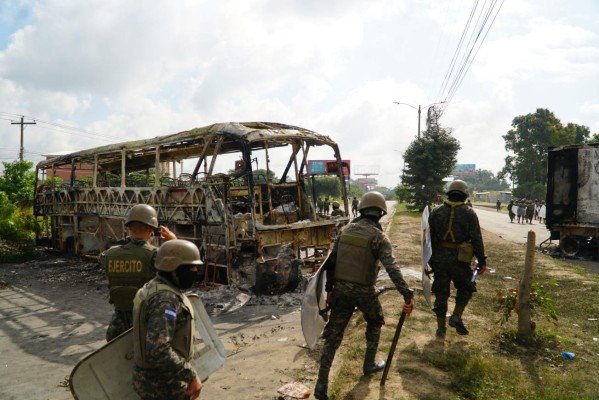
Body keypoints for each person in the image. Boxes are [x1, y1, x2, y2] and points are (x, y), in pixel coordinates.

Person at [314, 191, 414, 400]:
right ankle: (368, 364)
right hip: (364, 292)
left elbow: (330, 263)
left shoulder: (345, 231)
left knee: (333, 335)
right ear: (380, 213)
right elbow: (392, 268)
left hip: (340, 290)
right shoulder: (379, 237)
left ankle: (321, 384)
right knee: (375, 321)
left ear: (361, 210)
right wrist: (406, 293)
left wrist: (330, 289)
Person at [132, 239, 204, 400]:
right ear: (174, 269)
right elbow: (158, 350)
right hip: (163, 386)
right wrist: (190, 375)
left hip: (152, 382)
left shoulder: (153, 286)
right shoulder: (165, 300)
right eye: (191, 268)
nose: (195, 272)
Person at [102, 204, 177, 342]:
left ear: (128, 228)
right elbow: (179, 265)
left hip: (118, 325)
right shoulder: (155, 254)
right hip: (146, 321)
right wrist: (173, 240)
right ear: (151, 229)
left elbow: (105, 259)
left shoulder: (109, 254)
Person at [428, 180, 486, 338]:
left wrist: (429, 260)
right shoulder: (469, 213)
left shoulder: (437, 211)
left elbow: (428, 238)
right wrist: (482, 260)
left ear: (449, 193)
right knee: (466, 288)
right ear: (464, 195)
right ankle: (456, 316)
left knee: (441, 293)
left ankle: (441, 328)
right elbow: (476, 238)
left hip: (439, 258)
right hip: (460, 260)